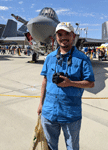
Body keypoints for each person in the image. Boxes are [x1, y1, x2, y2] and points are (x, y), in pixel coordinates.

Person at [37, 22, 95, 150]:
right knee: (50, 146)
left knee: (72, 147)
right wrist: (41, 104)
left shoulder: (82, 59)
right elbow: (45, 80)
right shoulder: (50, 58)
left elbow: (91, 83)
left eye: (67, 34)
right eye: (60, 34)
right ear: (56, 37)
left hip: (71, 114)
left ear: (73, 36)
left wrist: (70, 83)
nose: (63, 37)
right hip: (49, 112)